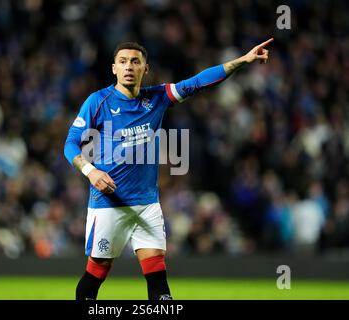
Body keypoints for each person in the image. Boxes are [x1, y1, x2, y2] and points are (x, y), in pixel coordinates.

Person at [64, 39, 273, 300]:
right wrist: (90, 171)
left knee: (159, 283)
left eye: (135, 61)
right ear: (114, 68)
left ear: (145, 69)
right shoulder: (98, 101)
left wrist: (242, 61)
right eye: (123, 61)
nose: (129, 66)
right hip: (109, 203)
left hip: (147, 204)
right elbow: (71, 144)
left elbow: (197, 82)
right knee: (96, 275)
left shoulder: (158, 97)